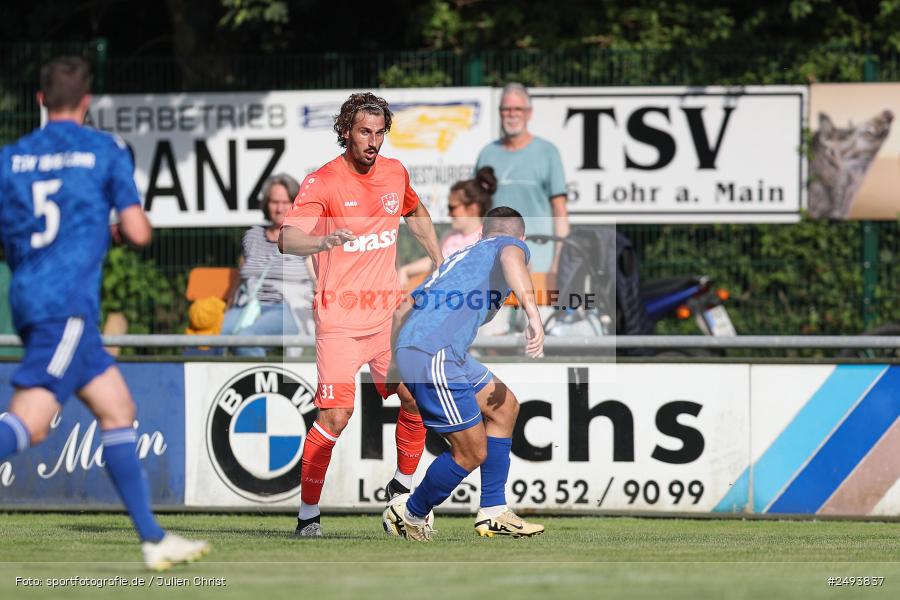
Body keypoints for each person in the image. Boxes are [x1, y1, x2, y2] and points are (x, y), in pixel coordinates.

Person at [0, 56, 209, 570]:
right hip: (66, 304)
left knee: (119, 411)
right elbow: (138, 232)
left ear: (40, 101)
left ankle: (154, 539)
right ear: (88, 102)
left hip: (31, 297)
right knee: (33, 422)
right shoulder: (103, 149)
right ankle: (154, 538)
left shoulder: (10, 159)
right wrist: (111, 229)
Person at [280, 92, 442, 537]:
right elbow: (287, 238)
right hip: (339, 320)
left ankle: (402, 491)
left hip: (387, 317)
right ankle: (308, 515)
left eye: (379, 132)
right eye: (364, 132)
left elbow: (415, 209)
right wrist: (320, 242)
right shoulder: (324, 182)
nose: (373, 141)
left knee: (415, 397)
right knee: (336, 416)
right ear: (346, 132)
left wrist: (438, 258)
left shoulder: (394, 173)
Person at [387, 206, 545, 541]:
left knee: (505, 407)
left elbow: (403, 309)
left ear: (482, 232)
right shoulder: (509, 246)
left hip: (436, 352)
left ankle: (493, 511)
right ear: (521, 237)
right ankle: (409, 513)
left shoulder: (459, 258)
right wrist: (533, 314)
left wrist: (395, 365)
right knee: (472, 451)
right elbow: (512, 259)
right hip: (435, 353)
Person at [475, 82, 569, 275]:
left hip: (539, 262)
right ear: (500, 113)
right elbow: (476, 209)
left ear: (529, 113)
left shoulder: (548, 153)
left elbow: (560, 208)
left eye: (517, 108)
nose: (512, 114)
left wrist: (559, 261)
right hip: (493, 263)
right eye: (506, 109)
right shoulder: (487, 154)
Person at [222, 173, 315, 357]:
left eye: (285, 202)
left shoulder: (306, 237)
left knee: (246, 339)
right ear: (266, 204)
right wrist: (228, 307)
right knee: (215, 337)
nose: (279, 208)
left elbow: (318, 280)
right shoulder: (252, 236)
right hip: (249, 306)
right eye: (274, 202)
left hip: (288, 310)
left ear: (295, 203)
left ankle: (261, 384)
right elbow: (242, 277)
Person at [397, 167, 494, 290]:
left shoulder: (487, 239)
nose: (449, 214)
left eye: (452, 207)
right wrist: (406, 270)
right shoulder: (449, 236)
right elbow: (436, 260)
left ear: (473, 208)